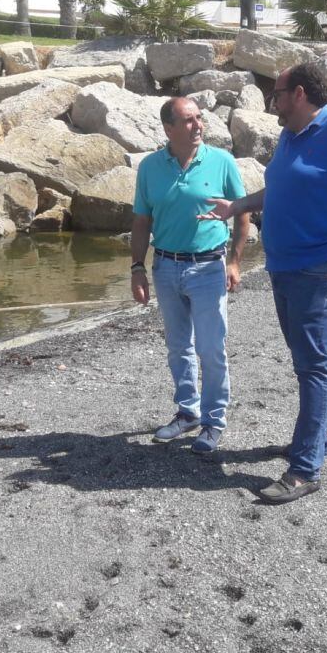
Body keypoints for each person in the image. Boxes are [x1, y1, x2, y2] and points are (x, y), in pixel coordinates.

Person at [200, 63, 327, 502]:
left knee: (313, 366)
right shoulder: (291, 133)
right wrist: (236, 206)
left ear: (301, 93)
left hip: (318, 269)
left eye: (278, 94)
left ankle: (305, 468)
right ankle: (315, 439)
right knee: (305, 361)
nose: (273, 103)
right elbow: (281, 189)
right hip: (284, 265)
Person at [131, 97, 251, 453]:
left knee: (211, 348)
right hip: (165, 267)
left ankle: (213, 421)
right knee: (178, 347)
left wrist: (235, 261)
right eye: (188, 120)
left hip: (207, 267)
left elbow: (242, 213)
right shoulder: (150, 167)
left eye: (199, 118)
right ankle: (188, 412)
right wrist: (137, 268)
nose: (198, 125)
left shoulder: (222, 162)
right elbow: (141, 221)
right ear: (168, 128)